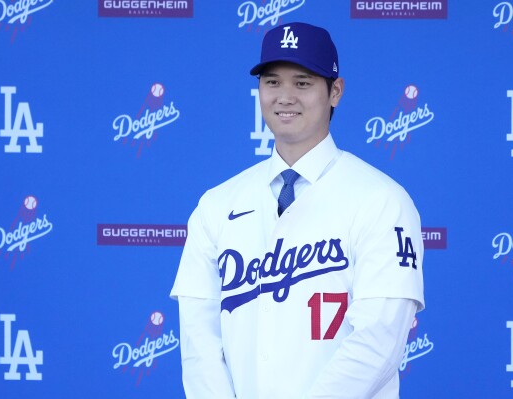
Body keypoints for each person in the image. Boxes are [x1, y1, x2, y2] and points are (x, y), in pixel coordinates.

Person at [170, 22, 424, 399]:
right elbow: (199, 343)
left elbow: (378, 339)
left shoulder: (382, 199)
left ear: (335, 91)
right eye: (272, 82)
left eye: (302, 83)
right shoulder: (217, 204)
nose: (284, 97)